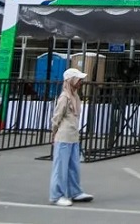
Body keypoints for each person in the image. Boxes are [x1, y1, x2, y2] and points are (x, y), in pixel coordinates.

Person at [49, 67, 93, 207]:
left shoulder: (75, 96)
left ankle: (75, 192)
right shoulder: (64, 97)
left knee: (74, 166)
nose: (80, 82)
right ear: (71, 80)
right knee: (60, 168)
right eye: (78, 79)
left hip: (73, 136)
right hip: (64, 137)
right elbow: (56, 117)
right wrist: (53, 133)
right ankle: (57, 195)